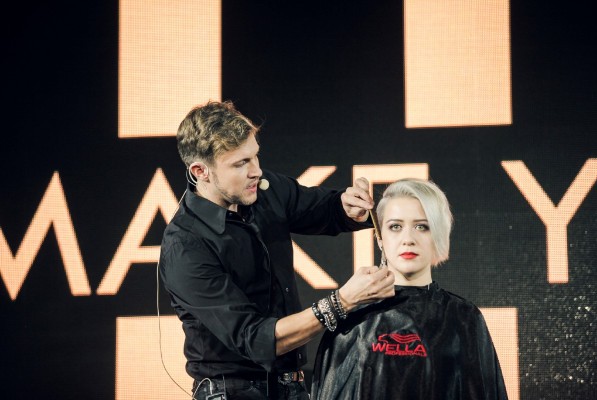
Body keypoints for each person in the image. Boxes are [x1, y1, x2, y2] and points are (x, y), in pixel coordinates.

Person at [159, 100, 395, 400]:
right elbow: (257, 339)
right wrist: (342, 302)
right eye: (240, 164)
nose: (256, 171)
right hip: (232, 393)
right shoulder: (185, 245)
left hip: (291, 386)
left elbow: (326, 209)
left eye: (255, 156)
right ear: (200, 171)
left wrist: (348, 208)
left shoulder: (266, 190)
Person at [311, 178, 508, 400]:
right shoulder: (351, 317)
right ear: (380, 238)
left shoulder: (464, 317)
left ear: (437, 234)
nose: (408, 239)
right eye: (395, 227)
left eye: (421, 226)